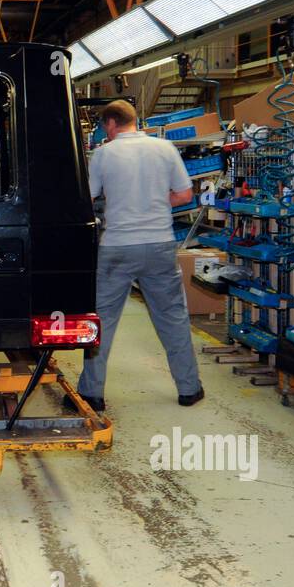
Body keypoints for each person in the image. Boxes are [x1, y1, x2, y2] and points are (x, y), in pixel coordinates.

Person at [76, 100, 204, 410]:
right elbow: (185, 195)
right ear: (135, 120)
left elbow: (88, 196)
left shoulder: (103, 154)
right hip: (159, 243)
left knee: (102, 320)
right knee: (172, 317)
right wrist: (155, 202)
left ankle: (92, 393)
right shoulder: (164, 149)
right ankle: (189, 389)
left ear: (110, 124)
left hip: (118, 245)